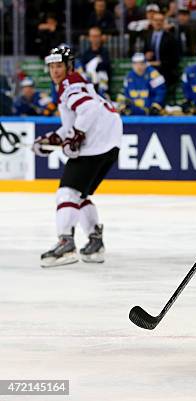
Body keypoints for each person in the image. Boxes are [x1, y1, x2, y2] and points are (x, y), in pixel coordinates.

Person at [33, 46, 122, 267]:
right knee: (79, 195)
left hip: (96, 143)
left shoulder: (68, 85)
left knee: (66, 193)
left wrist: (76, 137)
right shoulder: (75, 83)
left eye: (59, 65)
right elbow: (72, 124)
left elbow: (89, 110)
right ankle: (95, 242)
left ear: (68, 66)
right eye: (51, 66)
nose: (55, 70)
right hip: (109, 141)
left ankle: (66, 244)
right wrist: (51, 139)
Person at [144, 11, 181, 103]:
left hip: (166, 70)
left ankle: (158, 105)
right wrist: (146, 55)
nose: (158, 22)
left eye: (161, 20)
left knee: (160, 81)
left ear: (164, 22)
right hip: (149, 70)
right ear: (152, 22)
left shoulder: (171, 38)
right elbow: (143, 52)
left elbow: (175, 58)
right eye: (156, 20)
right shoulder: (147, 36)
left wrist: (160, 63)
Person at [79, 26, 112, 100]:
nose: (95, 39)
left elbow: (106, 68)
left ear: (101, 37)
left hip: (103, 90)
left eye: (97, 36)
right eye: (93, 36)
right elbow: (83, 70)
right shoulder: (85, 54)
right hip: (89, 90)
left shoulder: (105, 52)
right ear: (89, 38)